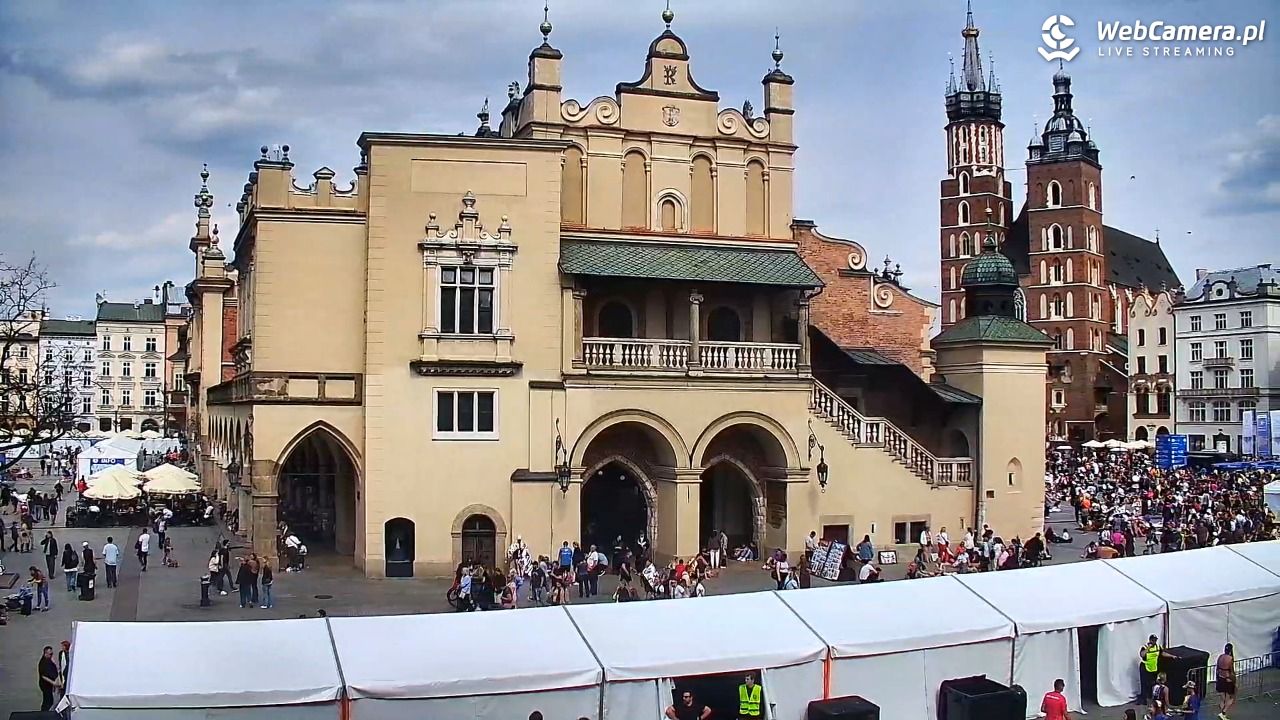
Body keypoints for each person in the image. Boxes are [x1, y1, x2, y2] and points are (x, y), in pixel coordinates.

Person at [1138, 634, 1163, 706]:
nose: (1154, 641)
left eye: (1155, 640)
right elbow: (1142, 655)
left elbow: (1162, 653)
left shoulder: (1158, 647)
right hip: (1145, 667)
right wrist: (1148, 648)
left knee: (1152, 683)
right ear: (1150, 640)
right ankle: (1143, 699)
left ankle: (1151, 697)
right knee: (1144, 684)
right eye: (1153, 640)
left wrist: (1172, 656)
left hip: (1153, 668)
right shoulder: (1145, 647)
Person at [38, 645, 62, 711]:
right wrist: (54, 683)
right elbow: (44, 676)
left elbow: (54, 670)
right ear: (45, 653)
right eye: (50, 654)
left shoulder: (49, 660)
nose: (52, 655)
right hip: (45, 685)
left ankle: (44, 712)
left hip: (49, 685)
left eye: (52, 653)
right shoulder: (43, 664)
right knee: (48, 701)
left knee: (49, 700)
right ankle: (43, 713)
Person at [1216, 643, 1236, 719]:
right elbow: (1231, 671)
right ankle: (1223, 713)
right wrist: (1234, 680)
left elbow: (1217, 669)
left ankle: (1222, 713)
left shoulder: (1220, 657)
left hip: (1220, 678)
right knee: (1230, 697)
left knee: (1222, 698)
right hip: (1227, 679)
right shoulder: (1230, 659)